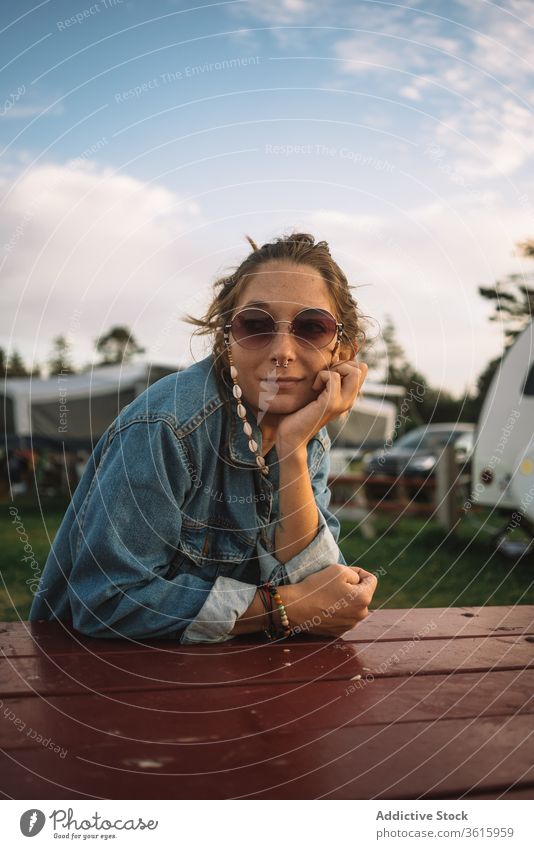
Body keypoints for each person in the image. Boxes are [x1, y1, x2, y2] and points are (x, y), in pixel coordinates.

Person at [30, 232, 378, 643]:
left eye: (312, 327)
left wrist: (293, 449)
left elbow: (320, 594)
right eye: (255, 325)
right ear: (226, 341)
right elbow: (107, 600)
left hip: (229, 686)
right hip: (95, 682)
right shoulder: (166, 426)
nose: (283, 350)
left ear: (343, 351)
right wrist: (281, 609)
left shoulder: (304, 429)